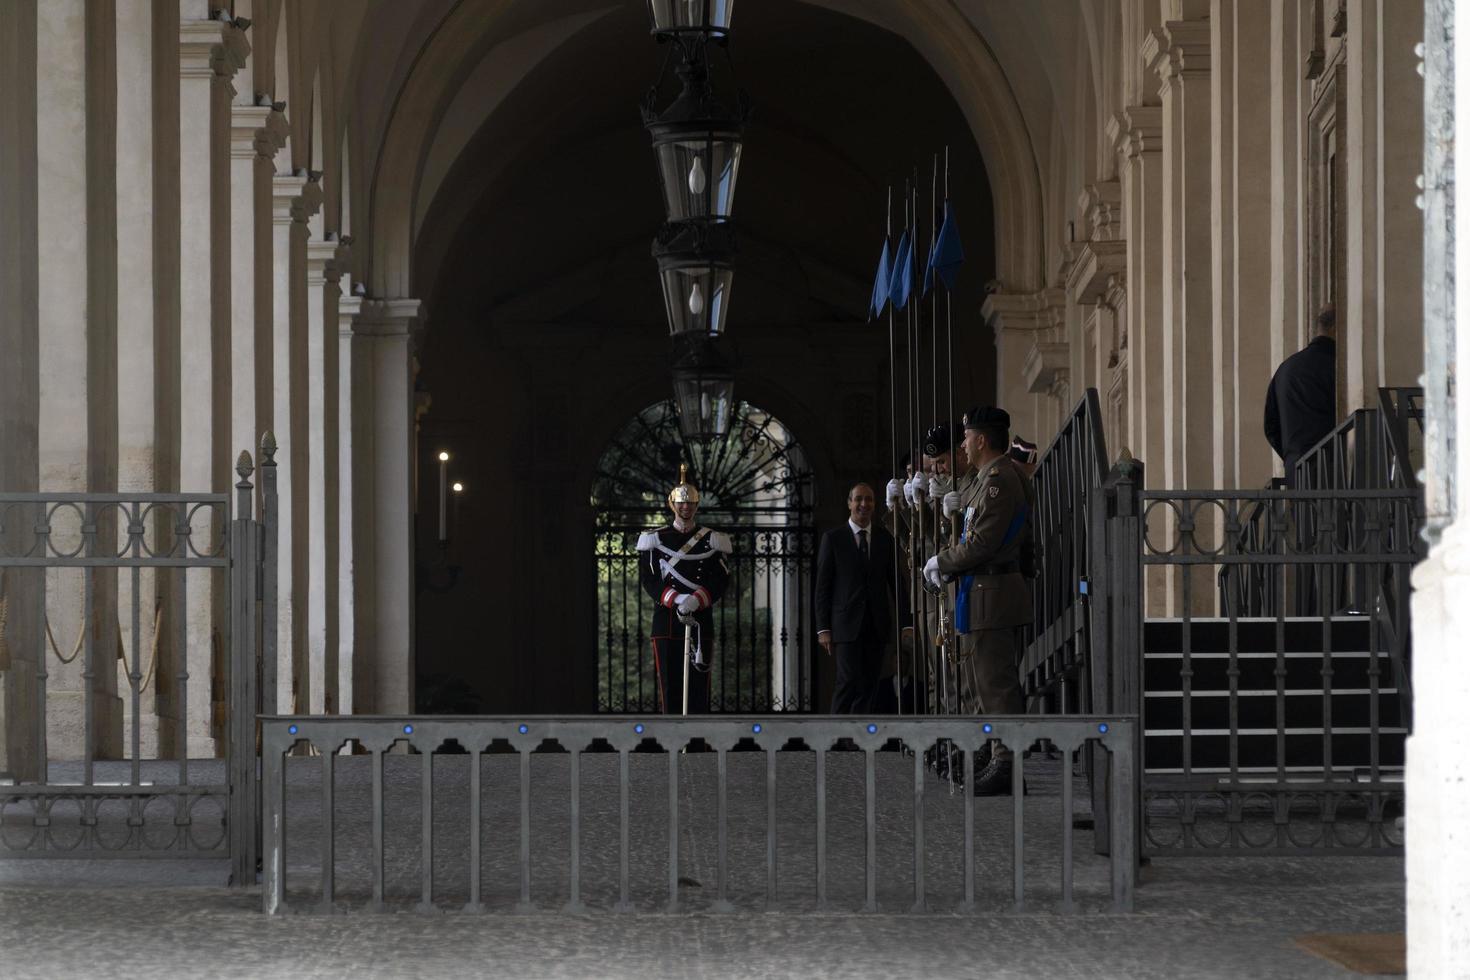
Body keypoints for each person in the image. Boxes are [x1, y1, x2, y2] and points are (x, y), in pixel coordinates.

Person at [923, 406, 1036, 794]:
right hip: (983, 592)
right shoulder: (990, 476)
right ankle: (994, 753)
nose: (964, 444)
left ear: (982, 439)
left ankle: (1007, 763)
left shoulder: (1000, 479)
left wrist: (943, 559)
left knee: (996, 684)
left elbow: (983, 541)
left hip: (994, 592)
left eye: (968, 437)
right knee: (982, 683)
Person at [637, 465, 731, 714]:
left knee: (699, 692)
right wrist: (677, 599)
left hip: (699, 622)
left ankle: (697, 748)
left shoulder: (711, 539)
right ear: (672, 504)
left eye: (690, 503)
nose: (685, 507)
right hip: (667, 621)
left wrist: (697, 600)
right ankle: (673, 747)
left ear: (696, 505)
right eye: (681, 503)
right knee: (670, 689)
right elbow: (650, 579)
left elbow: (720, 579)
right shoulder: (655, 540)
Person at [816, 483, 908, 714]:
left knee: (869, 683)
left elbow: (896, 582)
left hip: (876, 624)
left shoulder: (884, 538)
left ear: (875, 505)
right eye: (858, 499)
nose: (864, 504)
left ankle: (855, 739)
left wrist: (906, 622)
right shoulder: (833, 539)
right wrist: (823, 628)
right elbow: (823, 588)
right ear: (849, 503)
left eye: (869, 500)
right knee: (847, 680)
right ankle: (835, 737)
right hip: (845, 626)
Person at [1264, 304, 1337, 487]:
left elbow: (1271, 426)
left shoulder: (1286, 368)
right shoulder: (1337, 364)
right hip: (1334, 473)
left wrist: (1293, 455)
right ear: (1338, 328)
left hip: (1297, 473)